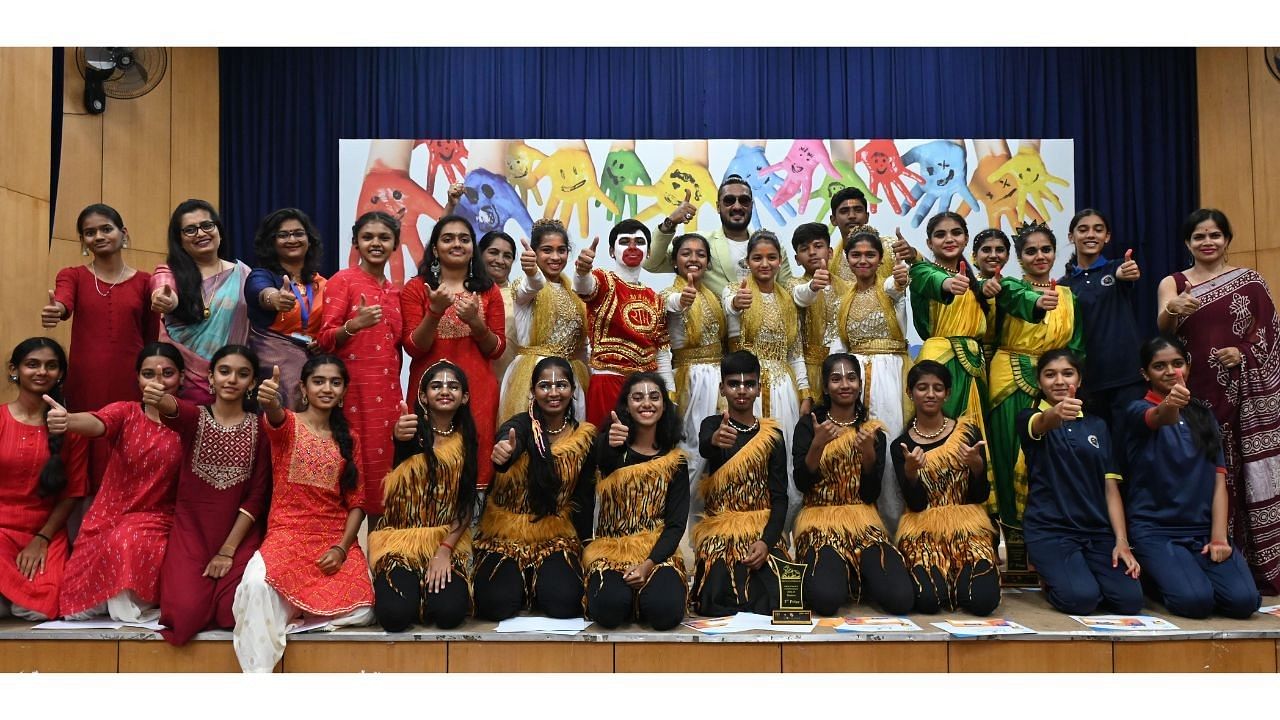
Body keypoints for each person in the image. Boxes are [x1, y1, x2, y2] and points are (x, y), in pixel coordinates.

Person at [1157, 208, 1280, 595]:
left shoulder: (1250, 282)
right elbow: (1163, 331)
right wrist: (1172, 310)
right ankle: (1203, 561)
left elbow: (1270, 333)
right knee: (1202, 473)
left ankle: (1256, 565)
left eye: (1214, 235)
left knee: (1244, 473)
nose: (1207, 242)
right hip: (1192, 392)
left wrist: (1243, 352)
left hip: (1243, 394)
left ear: (1227, 240)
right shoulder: (1174, 282)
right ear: (1187, 243)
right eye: (1199, 237)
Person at [233, 355, 374, 672]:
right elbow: (275, 417)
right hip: (288, 536)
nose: (327, 388)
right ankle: (257, 679)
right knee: (256, 587)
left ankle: (301, 622)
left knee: (363, 609)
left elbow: (357, 503)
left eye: (335, 383)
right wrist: (269, 401)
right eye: (319, 381)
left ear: (343, 391)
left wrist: (341, 548)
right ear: (304, 388)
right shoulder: (288, 425)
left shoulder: (349, 440)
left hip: (332, 541)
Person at [1123, 336, 1260, 618]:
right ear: (1145, 374)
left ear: (1187, 366)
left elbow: (1218, 479)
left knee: (1245, 602)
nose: (1171, 371)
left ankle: (1186, 574)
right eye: (1159, 366)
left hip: (1201, 532)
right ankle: (1154, 578)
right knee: (1194, 603)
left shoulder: (1203, 414)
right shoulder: (1135, 410)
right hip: (1155, 531)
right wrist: (1172, 402)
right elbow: (1161, 416)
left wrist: (1219, 536)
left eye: (1177, 364)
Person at [50, 343, 184, 623]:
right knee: (75, 611)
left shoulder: (189, 420)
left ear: (182, 377)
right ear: (137, 379)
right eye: (148, 373)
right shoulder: (126, 412)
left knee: (126, 540)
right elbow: (99, 423)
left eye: (167, 373)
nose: (158, 381)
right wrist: (69, 421)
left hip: (159, 518)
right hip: (108, 515)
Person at [145, 343, 269, 645]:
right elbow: (174, 410)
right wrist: (159, 398)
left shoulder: (261, 428)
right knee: (184, 616)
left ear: (252, 383)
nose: (231, 379)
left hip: (238, 536)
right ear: (210, 378)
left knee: (232, 613)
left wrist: (227, 551)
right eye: (224, 371)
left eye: (242, 374)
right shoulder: (195, 418)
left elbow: (256, 496)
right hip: (192, 534)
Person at [986, 221, 1083, 583]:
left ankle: (1050, 548)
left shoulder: (1071, 296)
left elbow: (1077, 348)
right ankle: (1013, 555)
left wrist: (1065, 384)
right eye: (1031, 251)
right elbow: (1019, 304)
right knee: (1010, 460)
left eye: (1046, 250)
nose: (1039, 257)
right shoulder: (1010, 287)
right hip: (1009, 381)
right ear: (1019, 257)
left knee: (1049, 464)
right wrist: (1038, 302)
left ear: (1056, 253)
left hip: (1056, 387)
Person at [41, 203, 158, 489]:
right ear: (83, 241)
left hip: (130, 380)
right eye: (90, 232)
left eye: (106, 229)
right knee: (84, 445)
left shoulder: (146, 282)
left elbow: (151, 338)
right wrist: (57, 309)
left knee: (127, 438)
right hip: (85, 380)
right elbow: (64, 301)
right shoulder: (73, 275)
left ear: (123, 233)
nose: (99, 236)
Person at [1018, 350, 1143, 615]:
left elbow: (1110, 489)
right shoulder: (1028, 417)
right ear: (1039, 382)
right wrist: (1056, 414)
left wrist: (1121, 541)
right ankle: (1054, 582)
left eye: (1067, 373)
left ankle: (1083, 577)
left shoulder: (1098, 426)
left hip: (1097, 533)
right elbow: (1041, 422)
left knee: (1130, 601)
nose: (1059, 381)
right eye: (1050, 375)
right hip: (1051, 530)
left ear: (1080, 379)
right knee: (1081, 600)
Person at [792, 354, 915, 616]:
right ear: (825, 387)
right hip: (819, 521)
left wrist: (869, 453)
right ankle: (844, 574)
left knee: (901, 599)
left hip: (864, 520)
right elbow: (802, 483)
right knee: (826, 601)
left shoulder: (872, 431)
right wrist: (817, 445)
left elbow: (871, 493)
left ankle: (860, 574)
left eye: (851, 378)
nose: (844, 384)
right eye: (836, 379)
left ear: (860, 384)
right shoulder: (808, 425)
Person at [476, 357, 596, 620]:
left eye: (561, 385)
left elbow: (584, 500)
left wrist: (586, 549)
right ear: (532, 391)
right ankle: (521, 580)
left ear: (573, 391)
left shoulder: (584, 438)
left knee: (564, 605)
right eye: (544, 385)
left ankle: (538, 579)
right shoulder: (520, 425)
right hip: (507, 532)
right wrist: (504, 453)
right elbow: (510, 438)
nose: (553, 392)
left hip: (555, 532)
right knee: (495, 606)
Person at [368, 360, 478, 631]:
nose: (444, 390)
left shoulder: (468, 440)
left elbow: (465, 504)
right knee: (394, 617)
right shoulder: (410, 432)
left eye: (453, 386)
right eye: (436, 385)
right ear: (422, 396)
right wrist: (398, 437)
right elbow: (395, 459)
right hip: (399, 540)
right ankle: (412, 591)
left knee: (449, 614)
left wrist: (445, 551)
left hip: (444, 538)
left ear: (464, 397)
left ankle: (427, 593)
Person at [401, 215, 505, 491]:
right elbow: (413, 346)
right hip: (430, 391)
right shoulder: (417, 288)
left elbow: (496, 349)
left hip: (477, 391)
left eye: (464, 239)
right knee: (426, 459)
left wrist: (476, 323)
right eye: (448, 239)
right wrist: (434, 312)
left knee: (475, 459)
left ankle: (469, 529)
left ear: (473, 247)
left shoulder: (488, 290)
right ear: (435, 249)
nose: (456, 244)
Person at [891, 361, 999, 616]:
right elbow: (916, 504)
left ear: (947, 393)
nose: (930, 394)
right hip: (923, 530)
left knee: (981, 601)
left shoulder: (967, 433)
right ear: (910, 393)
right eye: (922, 388)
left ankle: (961, 581)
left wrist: (976, 467)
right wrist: (910, 473)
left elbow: (979, 495)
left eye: (938, 388)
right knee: (929, 601)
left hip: (968, 529)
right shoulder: (902, 445)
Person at [316, 211, 404, 520]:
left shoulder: (396, 292)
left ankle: (381, 556)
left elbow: (398, 346)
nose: (375, 243)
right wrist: (354, 325)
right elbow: (324, 340)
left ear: (395, 244)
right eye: (368, 237)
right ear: (356, 243)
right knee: (350, 471)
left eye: (384, 238)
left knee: (386, 480)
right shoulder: (343, 281)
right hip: (351, 394)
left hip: (388, 397)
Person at [583, 373, 688, 630]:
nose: (646, 403)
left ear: (664, 405)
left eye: (654, 397)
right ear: (626, 405)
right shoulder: (610, 448)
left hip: (656, 552)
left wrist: (648, 565)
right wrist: (609, 444)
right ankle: (627, 597)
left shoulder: (675, 461)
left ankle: (644, 595)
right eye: (637, 397)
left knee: (665, 613)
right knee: (608, 611)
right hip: (612, 549)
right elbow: (602, 464)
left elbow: (675, 526)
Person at [827, 226, 911, 535]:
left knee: (889, 451)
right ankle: (860, 526)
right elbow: (838, 344)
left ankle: (895, 529)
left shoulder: (889, 287)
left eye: (870, 255)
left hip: (889, 378)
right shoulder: (844, 299)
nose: (863, 261)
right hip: (854, 382)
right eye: (856, 255)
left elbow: (897, 283)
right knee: (857, 450)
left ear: (880, 259)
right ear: (846, 259)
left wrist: (902, 272)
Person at [692, 351, 789, 616]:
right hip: (720, 528)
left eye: (749, 384)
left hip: (761, 527)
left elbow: (780, 497)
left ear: (759, 388)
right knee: (713, 599)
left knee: (778, 599)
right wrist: (715, 441)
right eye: (734, 384)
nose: (742, 390)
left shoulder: (773, 435)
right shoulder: (713, 425)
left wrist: (767, 543)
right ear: (722, 388)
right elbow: (705, 448)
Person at [722, 230, 809, 522]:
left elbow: (795, 351)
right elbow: (731, 306)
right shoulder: (735, 289)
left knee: (783, 456)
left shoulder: (788, 300)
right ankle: (748, 521)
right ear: (747, 261)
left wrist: (805, 391)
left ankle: (782, 529)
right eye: (757, 258)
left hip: (784, 388)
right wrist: (738, 302)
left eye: (771, 257)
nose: (765, 263)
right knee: (748, 454)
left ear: (780, 260)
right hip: (747, 387)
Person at [0, 338, 89, 621]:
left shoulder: (70, 427)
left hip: (44, 532)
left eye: (51, 366)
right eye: (32, 364)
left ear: (61, 374)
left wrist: (42, 538)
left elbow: (73, 492)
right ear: (15, 370)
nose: (42, 372)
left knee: (38, 608)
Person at [895, 213, 990, 441]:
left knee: (974, 436)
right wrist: (949, 283)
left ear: (966, 239)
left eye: (956, 233)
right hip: (939, 365)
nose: (949, 239)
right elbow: (932, 279)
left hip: (975, 366)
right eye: (940, 235)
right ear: (929, 243)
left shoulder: (980, 283)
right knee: (940, 431)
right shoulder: (919, 272)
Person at [149, 199, 252, 404]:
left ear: (219, 231)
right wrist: (165, 300)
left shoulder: (243, 274)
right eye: (190, 230)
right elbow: (161, 288)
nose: (201, 233)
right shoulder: (170, 273)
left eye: (207, 225)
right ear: (179, 239)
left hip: (231, 383)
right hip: (182, 387)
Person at [657, 232, 727, 525]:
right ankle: (680, 529)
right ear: (674, 261)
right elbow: (670, 309)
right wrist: (680, 301)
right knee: (690, 454)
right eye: (686, 253)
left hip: (718, 379)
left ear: (708, 262)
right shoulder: (665, 295)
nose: (693, 259)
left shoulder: (712, 296)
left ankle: (708, 528)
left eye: (700, 254)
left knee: (716, 453)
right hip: (689, 382)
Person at [573, 219, 670, 427]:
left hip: (645, 389)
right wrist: (582, 271)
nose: (633, 247)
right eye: (625, 241)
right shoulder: (604, 280)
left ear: (649, 252)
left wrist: (669, 393)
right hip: (608, 382)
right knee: (606, 449)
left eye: (639, 242)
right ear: (611, 251)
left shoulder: (656, 299)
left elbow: (661, 352)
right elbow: (585, 288)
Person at [1058, 209, 1144, 437]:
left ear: (1107, 237)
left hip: (1126, 375)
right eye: (1083, 229)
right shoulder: (1062, 285)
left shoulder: (1116, 268)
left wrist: (1128, 272)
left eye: (1098, 229)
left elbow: (1128, 274)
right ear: (1071, 236)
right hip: (1088, 379)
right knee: (1098, 448)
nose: (1091, 235)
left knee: (1130, 443)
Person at [498, 218, 589, 424]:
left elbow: (582, 347)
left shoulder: (574, 292)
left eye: (561, 250)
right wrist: (532, 273)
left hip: (569, 378)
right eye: (547, 250)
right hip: (533, 377)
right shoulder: (525, 285)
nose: (555, 257)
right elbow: (531, 286)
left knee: (568, 443)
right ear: (535, 253)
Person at [647, 174, 796, 297]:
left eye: (744, 200)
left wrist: (812, 286)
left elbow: (788, 291)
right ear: (718, 207)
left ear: (751, 205)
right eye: (729, 200)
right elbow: (651, 264)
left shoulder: (772, 247)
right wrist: (670, 222)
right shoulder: (699, 245)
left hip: (766, 330)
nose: (737, 206)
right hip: (719, 332)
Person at [244, 208, 327, 410]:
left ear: (309, 239)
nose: (292, 239)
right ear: (271, 242)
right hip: (276, 368)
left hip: (315, 367)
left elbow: (331, 325)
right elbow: (260, 292)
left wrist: (323, 341)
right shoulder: (262, 275)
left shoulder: (322, 283)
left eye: (298, 233)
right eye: (283, 235)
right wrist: (275, 298)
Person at [789, 222, 847, 404]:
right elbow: (801, 296)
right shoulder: (792, 285)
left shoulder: (848, 288)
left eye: (818, 246)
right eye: (805, 249)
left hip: (845, 372)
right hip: (809, 373)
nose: (812, 252)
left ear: (830, 252)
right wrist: (813, 286)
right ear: (797, 258)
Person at [478, 230, 520, 379]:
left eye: (507, 256)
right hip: (472, 377)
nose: (500, 260)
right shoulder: (466, 293)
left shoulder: (520, 297)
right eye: (493, 252)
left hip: (511, 382)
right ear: (479, 254)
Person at [971, 228, 1011, 365]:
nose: (993, 255)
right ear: (974, 255)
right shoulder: (964, 288)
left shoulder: (1014, 290)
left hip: (1005, 364)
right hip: (970, 358)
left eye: (1000, 250)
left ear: (1007, 256)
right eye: (986, 250)